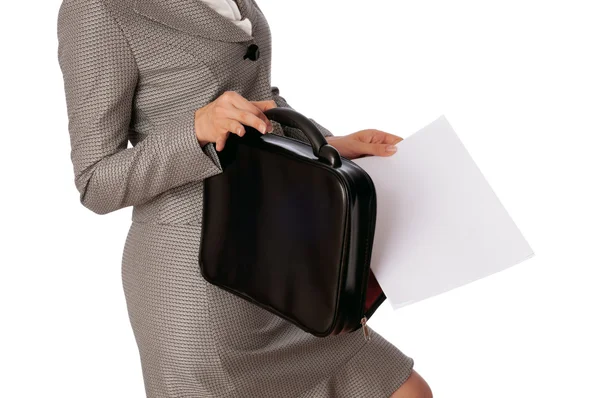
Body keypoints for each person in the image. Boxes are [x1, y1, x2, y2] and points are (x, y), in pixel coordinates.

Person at [56, 0, 433, 396]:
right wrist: (195, 131)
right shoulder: (96, 8)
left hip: (281, 257)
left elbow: (256, 98)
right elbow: (94, 180)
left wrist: (327, 145)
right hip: (200, 283)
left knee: (408, 390)